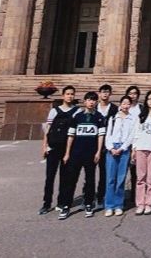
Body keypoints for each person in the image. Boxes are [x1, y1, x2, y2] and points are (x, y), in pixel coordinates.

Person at [59, 91, 106, 219]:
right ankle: (66, 206)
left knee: (90, 179)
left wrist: (98, 151)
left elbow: (100, 136)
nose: (91, 102)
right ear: (84, 101)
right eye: (89, 100)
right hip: (76, 153)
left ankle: (89, 203)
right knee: (71, 179)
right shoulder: (77, 117)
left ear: (96, 102)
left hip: (91, 153)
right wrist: (67, 153)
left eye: (93, 100)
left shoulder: (99, 117)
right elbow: (71, 136)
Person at [40, 85, 77, 216]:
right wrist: (44, 146)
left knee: (65, 177)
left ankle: (61, 202)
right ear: (63, 96)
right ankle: (46, 203)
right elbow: (47, 129)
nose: (70, 96)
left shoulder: (77, 111)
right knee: (50, 177)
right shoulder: (54, 111)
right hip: (53, 147)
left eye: (72, 94)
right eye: (67, 94)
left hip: (67, 149)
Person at [131, 90, 151, 215]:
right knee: (140, 178)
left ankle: (149, 203)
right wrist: (134, 148)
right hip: (141, 148)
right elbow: (136, 132)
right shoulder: (141, 115)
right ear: (146, 101)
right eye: (149, 99)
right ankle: (140, 204)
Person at [103, 94, 137, 216]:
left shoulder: (133, 119)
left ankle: (118, 205)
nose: (126, 106)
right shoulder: (113, 118)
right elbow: (108, 134)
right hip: (112, 148)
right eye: (124, 103)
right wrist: (111, 148)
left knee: (121, 179)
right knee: (110, 179)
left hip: (124, 149)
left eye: (128, 104)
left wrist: (122, 148)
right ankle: (109, 205)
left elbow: (132, 135)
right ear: (120, 104)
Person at [94, 84, 118, 208]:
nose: (105, 94)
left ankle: (101, 196)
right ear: (99, 93)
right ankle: (88, 196)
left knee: (105, 172)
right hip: (93, 143)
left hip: (107, 144)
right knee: (89, 172)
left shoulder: (114, 109)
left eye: (107, 92)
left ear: (110, 94)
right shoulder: (93, 107)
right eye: (103, 91)